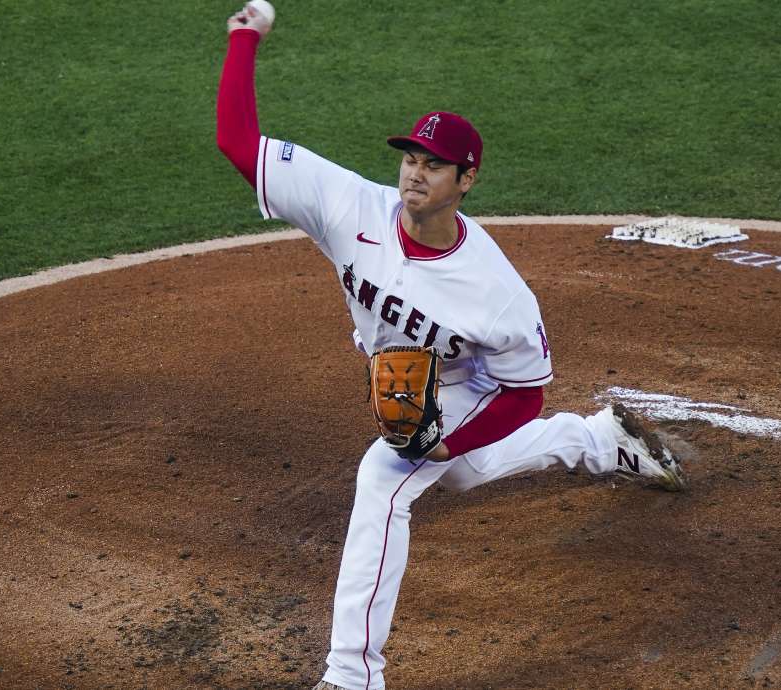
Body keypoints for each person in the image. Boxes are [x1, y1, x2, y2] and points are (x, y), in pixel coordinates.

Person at [216, 5, 687, 689]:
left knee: (387, 476)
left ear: (466, 181)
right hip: (413, 376)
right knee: (463, 475)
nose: (414, 174)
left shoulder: (497, 292)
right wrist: (243, 39)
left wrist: (445, 441)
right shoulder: (349, 205)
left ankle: (351, 676)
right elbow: (238, 141)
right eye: (410, 158)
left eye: (434, 166)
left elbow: (526, 392)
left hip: (475, 385)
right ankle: (598, 442)